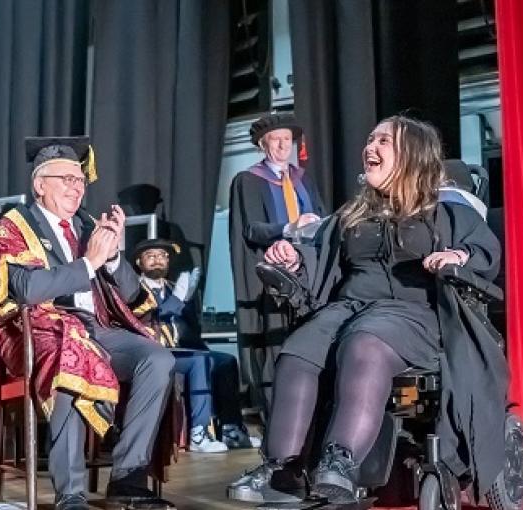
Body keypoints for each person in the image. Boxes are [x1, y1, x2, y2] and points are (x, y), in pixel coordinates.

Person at [228, 116, 503, 505]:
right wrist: (294, 257)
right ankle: (283, 468)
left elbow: (482, 250)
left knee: (364, 342)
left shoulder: (445, 207)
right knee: (299, 348)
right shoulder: (355, 213)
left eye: (383, 142)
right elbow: (322, 256)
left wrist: (457, 255)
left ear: (412, 154)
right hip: (349, 308)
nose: (369, 148)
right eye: (369, 139)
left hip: (414, 313)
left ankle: (340, 461)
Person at [0, 136, 176, 510]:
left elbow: (133, 298)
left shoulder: (88, 223)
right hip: (38, 329)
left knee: (157, 359)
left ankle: (128, 476)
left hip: (96, 326)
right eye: (66, 180)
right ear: (40, 185)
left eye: (80, 181)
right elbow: (25, 288)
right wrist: (88, 263)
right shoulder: (14, 224)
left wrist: (115, 254)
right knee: (69, 358)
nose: (77, 187)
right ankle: (70, 494)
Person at [228, 112, 326, 410]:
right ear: (262, 144)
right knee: (276, 345)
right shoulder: (249, 180)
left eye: (288, 139)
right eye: (276, 139)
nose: (284, 145)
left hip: (307, 272)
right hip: (272, 276)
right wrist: (289, 228)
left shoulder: (302, 178)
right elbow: (251, 229)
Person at [129, 238, 259, 453]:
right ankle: (199, 433)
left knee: (225, 361)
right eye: (150, 256)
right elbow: (151, 317)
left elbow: (190, 329)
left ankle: (231, 429)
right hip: (154, 352)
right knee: (199, 361)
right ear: (139, 262)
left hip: (182, 351)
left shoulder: (174, 288)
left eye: (162, 256)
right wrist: (178, 300)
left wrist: (186, 302)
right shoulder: (135, 289)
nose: (157, 260)